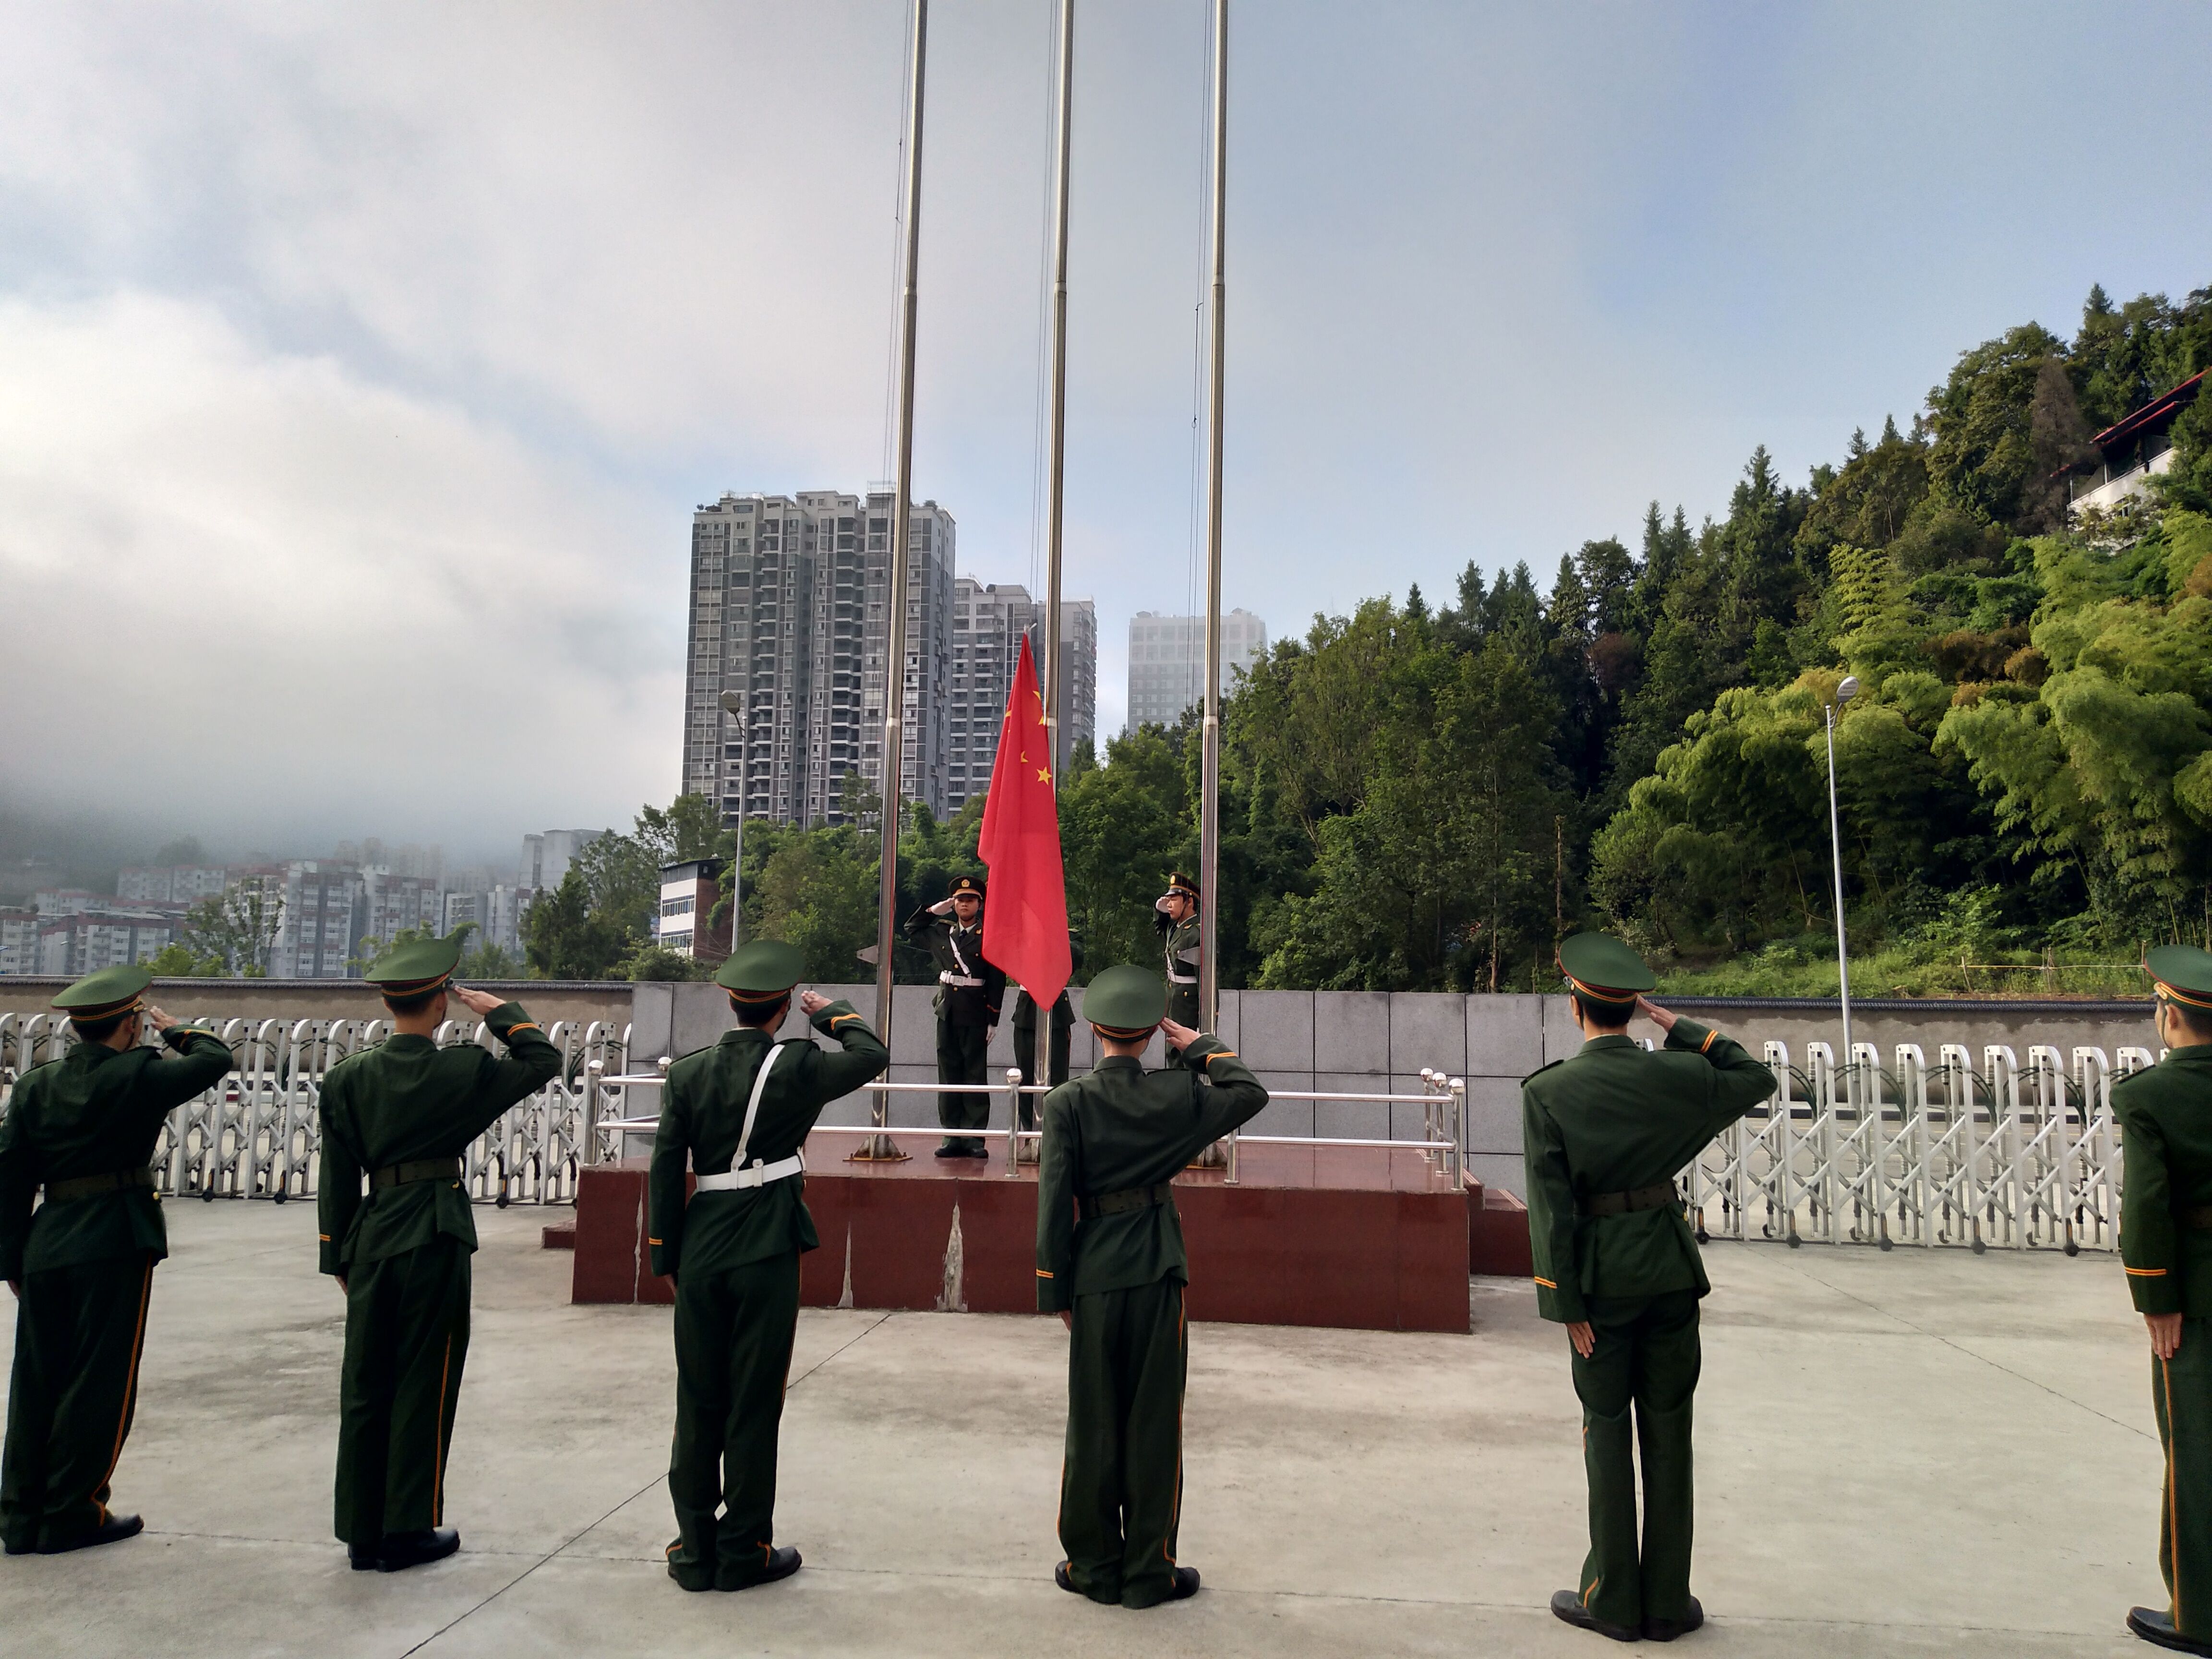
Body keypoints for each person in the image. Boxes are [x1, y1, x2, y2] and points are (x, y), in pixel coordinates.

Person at [1523, 933, 1778, 1643]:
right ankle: (1668, 1600)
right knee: (1670, 1432)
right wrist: (1676, 1025)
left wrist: (1563, 1303)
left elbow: (1551, 1208)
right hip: (1667, 1271)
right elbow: (1755, 1077)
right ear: (1632, 1009)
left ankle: (1611, 1599)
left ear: (1575, 1006)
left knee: (1607, 1435)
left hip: (1600, 1285)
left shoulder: (1550, 1092)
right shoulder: (1676, 1077)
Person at [316, 933, 561, 1573]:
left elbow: (338, 1179)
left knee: (366, 1384)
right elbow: (542, 1061)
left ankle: (360, 1531)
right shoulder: (461, 1070)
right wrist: (502, 1013)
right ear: (439, 1004)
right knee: (425, 1380)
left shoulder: (346, 1079)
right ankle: (407, 1528)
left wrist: (337, 1256)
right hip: (432, 1230)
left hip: (370, 1238)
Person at [649, 939, 889, 1593]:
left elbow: (667, 1170)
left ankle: (693, 1549)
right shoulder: (798, 1065)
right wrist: (831, 1011)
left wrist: (664, 1254)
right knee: (754, 1401)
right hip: (767, 1245)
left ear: (729, 1001)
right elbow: (872, 1055)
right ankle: (745, 1548)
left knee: (697, 1398)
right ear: (782, 1007)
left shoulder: (688, 1073)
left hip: (700, 1248)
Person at [1034, 964, 1268, 1609]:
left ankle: (1092, 1565)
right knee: (1154, 1422)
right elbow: (1249, 1092)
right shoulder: (1176, 1094)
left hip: (1095, 1277)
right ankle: (1148, 1571)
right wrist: (1199, 1044)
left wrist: (1055, 1288)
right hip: (1159, 1268)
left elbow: (1056, 1200)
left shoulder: (1067, 1103)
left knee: (1094, 1422)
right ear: (1149, 1035)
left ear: (1095, 1031)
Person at [0, 965, 234, 1556]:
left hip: (47, 1242)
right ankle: (73, 1512)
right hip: (113, 1240)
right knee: (98, 1382)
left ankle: (20, 1515)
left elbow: (10, 1179)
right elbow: (216, 1059)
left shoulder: (36, 1086)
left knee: (36, 1381)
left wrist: (10, 1261)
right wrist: (176, 1030)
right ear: (130, 1024)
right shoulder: (140, 1073)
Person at [2117, 944, 2212, 1656]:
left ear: (2171, 1016)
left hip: (2198, 1298)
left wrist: (2156, 1299)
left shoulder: (2151, 1095)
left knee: (2199, 1453)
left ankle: (2201, 1616)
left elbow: (2148, 1208)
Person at [903, 875, 1004, 1158]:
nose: (964, 904)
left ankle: (974, 1138)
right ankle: (952, 1136)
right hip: (947, 1010)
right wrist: (936, 909)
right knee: (948, 1072)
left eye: (970, 900)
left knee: (974, 1074)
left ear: (979, 904)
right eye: (960, 900)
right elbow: (912, 927)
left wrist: (993, 1018)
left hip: (975, 1010)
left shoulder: (989, 934)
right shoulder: (942, 931)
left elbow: (997, 978)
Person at [1010, 933, 1081, 1162]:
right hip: (1027, 1012)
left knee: (1058, 1080)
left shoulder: (1065, 936)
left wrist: (1051, 937)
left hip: (1057, 1013)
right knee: (1025, 1078)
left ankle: (1056, 1136)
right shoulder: (1020, 937)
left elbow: (1077, 957)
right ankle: (1031, 1137)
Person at [1152, 874, 1202, 1061]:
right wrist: (1161, 910)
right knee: (1172, 1051)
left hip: (1188, 1003)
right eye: (1168, 899)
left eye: (1174, 899)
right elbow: (1160, 928)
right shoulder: (1175, 928)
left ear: (1189, 902)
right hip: (1174, 998)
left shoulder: (1197, 933)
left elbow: (1205, 978)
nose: (1169, 904)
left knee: (1183, 1053)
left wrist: (1207, 1015)